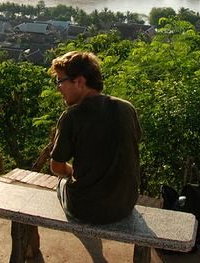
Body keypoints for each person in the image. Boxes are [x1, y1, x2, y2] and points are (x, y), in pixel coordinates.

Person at [49, 51, 142, 224]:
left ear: (79, 81)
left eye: (60, 81)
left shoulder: (72, 116)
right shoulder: (127, 108)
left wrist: (71, 172)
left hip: (87, 209)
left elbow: (56, 167)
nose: (58, 88)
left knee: (61, 184)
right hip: (125, 204)